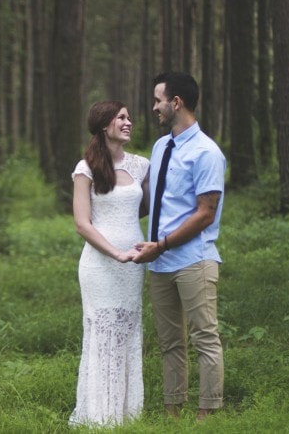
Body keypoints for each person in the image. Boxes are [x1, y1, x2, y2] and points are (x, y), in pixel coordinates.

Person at [133, 71, 226, 421]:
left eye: (158, 100)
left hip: (193, 261)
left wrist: (163, 244)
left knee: (205, 338)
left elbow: (205, 213)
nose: (154, 106)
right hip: (159, 264)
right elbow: (152, 202)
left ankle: (208, 414)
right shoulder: (160, 147)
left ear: (176, 103)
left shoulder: (206, 153)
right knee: (170, 343)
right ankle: (173, 411)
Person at [69, 100, 150, 427]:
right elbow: (82, 223)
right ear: (104, 125)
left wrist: (137, 244)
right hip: (100, 267)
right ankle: (100, 416)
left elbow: (142, 209)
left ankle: (127, 414)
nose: (128, 122)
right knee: (103, 331)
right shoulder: (85, 168)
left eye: (129, 117)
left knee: (128, 330)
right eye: (121, 118)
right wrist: (115, 252)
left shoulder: (141, 165)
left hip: (134, 264)